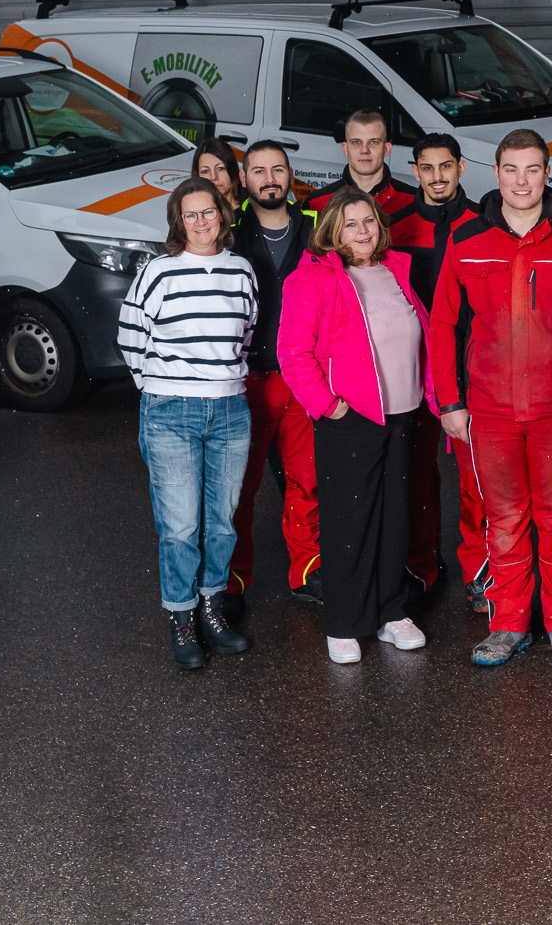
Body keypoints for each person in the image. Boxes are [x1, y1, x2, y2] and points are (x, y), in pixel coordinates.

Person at [430, 129, 552, 667]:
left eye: (533, 169)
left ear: (547, 174)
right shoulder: (466, 240)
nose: (522, 180)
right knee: (502, 521)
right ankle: (507, 623)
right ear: (497, 173)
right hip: (490, 410)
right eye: (511, 170)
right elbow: (443, 325)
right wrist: (451, 403)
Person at [277, 187, 430, 664]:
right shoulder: (314, 280)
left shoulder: (396, 269)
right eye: (351, 224)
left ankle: (390, 612)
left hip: (403, 413)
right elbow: (293, 353)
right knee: (350, 521)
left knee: (394, 516)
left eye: (369, 221)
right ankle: (343, 622)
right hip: (351, 417)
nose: (362, 231)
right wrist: (329, 406)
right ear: (332, 232)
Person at [118, 178, 258, 671]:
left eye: (208, 212)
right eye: (190, 215)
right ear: (179, 222)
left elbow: (245, 333)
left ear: (222, 214)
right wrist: (156, 386)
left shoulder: (241, 270)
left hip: (230, 410)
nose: (201, 222)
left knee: (222, 523)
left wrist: (220, 379)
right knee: (180, 526)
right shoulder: (159, 271)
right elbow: (131, 336)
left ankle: (212, 610)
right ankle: (180, 618)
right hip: (170, 410)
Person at [225, 142, 322, 605]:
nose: (269, 178)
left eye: (278, 169)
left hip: (304, 377)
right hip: (247, 380)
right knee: (240, 488)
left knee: (307, 481)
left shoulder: (316, 231)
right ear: (244, 179)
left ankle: (307, 571)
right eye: (258, 170)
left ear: (290, 175)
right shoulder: (229, 233)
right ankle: (232, 581)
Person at [406, 132, 488, 614]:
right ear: (415, 171)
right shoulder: (394, 228)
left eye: (446, 166)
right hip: (412, 372)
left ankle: (481, 572)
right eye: (428, 167)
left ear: (460, 168)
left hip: (470, 372)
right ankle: (421, 567)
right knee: (416, 476)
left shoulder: (484, 224)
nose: (438, 176)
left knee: (475, 481)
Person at [305, 108, 420, 246]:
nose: (364, 150)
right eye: (356, 142)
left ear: (386, 149)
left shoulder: (414, 202)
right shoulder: (316, 203)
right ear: (345, 149)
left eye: (374, 142)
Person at [192, 137, 242, 214]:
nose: (213, 177)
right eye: (205, 171)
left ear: (233, 170)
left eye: (220, 168)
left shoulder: (252, 211)